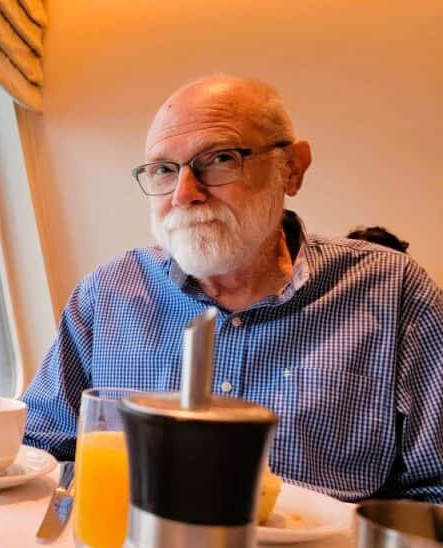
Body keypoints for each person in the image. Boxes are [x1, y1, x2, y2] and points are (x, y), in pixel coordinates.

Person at [23, 74, 443, 503]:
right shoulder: (108, 293)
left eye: (219, 159)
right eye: (165, 170)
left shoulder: (393, 292)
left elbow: (436, 489)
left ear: (291, 169)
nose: (186, 193)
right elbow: (41, 450)